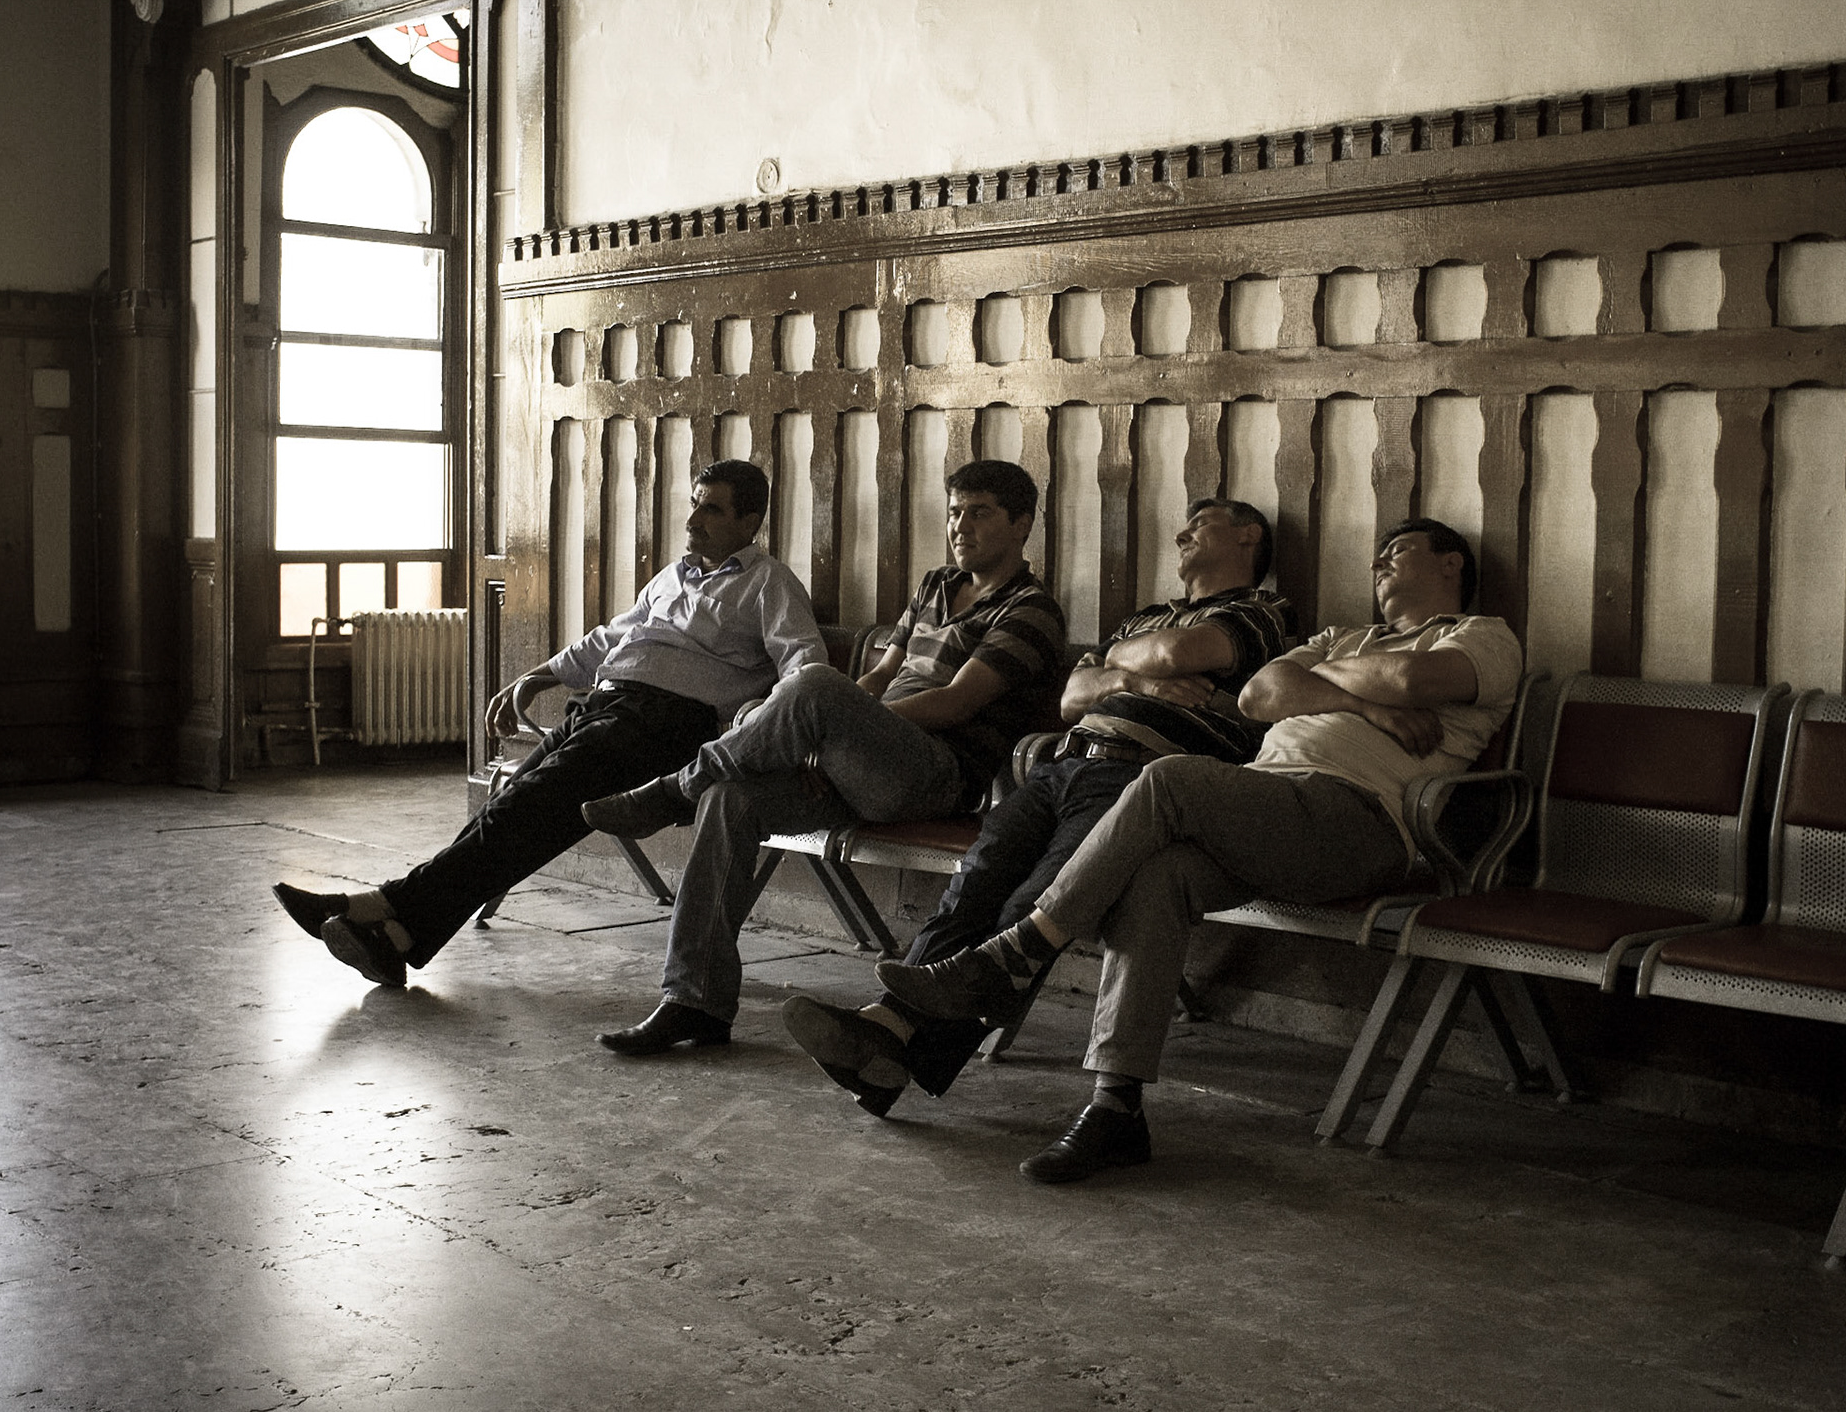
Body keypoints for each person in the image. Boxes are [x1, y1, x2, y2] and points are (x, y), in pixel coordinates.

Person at [879, 518, 1522, 1183]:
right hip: (1264, 807)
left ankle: (1020, 949)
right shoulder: (1343, 636)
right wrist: (1370, 703)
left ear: (1452, 566)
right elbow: (1260, 693)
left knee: (1167, 778)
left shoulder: (1483, 636)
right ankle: (1115, 1106)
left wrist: (1334, 683)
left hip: (1362, 821)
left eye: (1402, 549)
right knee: (1158, 876)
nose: (1381, 561)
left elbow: (1415, 678)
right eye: (1380, 551)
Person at [778, 498, 1297, 1117]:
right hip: (1064, 766)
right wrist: (1132, 680)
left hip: (1143, 778)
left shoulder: (1262, 614)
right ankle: (889, 1041)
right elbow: (1074, 696)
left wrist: (1121, 665)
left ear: (1248, 537)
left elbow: (1177, 656)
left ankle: (889, 1040)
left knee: (1033, 901)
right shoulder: (1149, 617)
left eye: (1202, 524)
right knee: (975, 885)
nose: (1182, 532)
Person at [271, 460, 823, 989]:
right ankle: (399, 934)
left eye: (714, 511)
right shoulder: (672, 577)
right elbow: (612, 637)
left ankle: (379, 907)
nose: (693, 520)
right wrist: (538, 676)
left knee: (525, 805)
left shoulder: (768, 583)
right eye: (695, 504)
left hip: (666, 727)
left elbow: (805, 667)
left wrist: (753, 716)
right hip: (606, 708)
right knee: (517, 809)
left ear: (750, 523)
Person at [580, 460, 1066, 1056]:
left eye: (980, 513)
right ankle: (694, 1001)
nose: (960, 526)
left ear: (1022, 524)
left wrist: (839, 720)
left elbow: (954, 702)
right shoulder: (936, 585)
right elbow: (881, 674)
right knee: (730, 797)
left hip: (934, 774)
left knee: (812, 682)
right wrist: (829, 735)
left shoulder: (1031, 610)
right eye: (954, 512)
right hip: (862, 763)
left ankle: (672, 790)